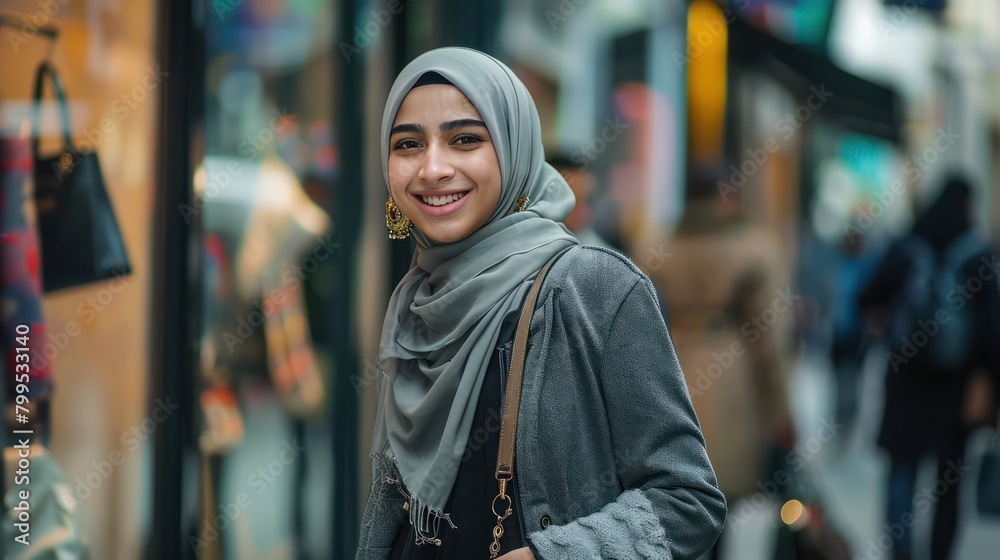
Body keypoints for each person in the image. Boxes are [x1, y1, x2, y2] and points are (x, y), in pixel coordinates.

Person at [355, 47, 725, 560]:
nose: (432, 168)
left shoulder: (593, 288)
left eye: (465, 139)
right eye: (408, 144)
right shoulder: (417, 299)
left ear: (515, 148)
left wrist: (553, 555)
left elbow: (688, 501)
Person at [643, 164, 795, 560]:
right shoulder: (754, 248)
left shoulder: (657, 246)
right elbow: (771, 340)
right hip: (733, 375)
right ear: (725, 196)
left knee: (678, 492)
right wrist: (781, 411)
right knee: (720, 495)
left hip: (671, 368)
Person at [858, 175, 992, 560]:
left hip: (906, 382)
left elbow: (868, 297)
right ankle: (938, 553)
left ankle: (901, 552)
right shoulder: (977, 257)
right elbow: (992, 330)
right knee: (948, 484)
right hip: (956, 390)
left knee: (902, 471)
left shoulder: (904, 249)